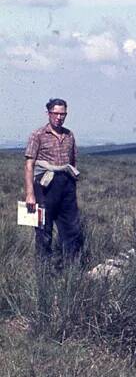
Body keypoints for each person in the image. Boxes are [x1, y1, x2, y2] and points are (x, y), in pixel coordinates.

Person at [24, 98, 84, 264]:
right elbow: (29, 165)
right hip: (45, 187)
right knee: (44, 229)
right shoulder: (37, 135)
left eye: (62, 114)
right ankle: (44, 271)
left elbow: (73, 163)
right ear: (48, 113)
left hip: (67, 186)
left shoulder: (69, 135)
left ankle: (72, 269)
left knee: (71, 228)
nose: (59, 117)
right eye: (55, 113)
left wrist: (72, 186)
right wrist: (30, 194)